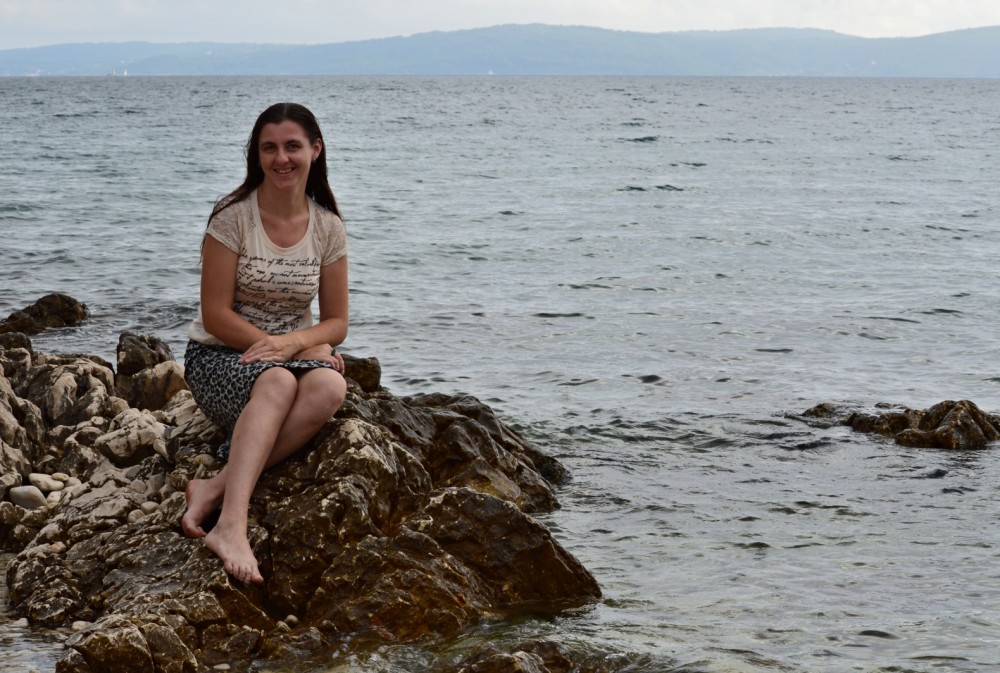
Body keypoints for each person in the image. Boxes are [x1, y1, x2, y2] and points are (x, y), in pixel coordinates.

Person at [180, 102, 349, 585]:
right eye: (269, 148)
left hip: (284, 355)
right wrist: (286, 349)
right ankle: (231, 526)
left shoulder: (328, 227)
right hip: (217, 355)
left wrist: (297, 343)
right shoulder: (232, 218)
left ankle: (213, 486)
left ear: (315, 150)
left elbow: (337, 322)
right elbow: (215, 313)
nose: (281, 158)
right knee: (277, 381)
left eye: (293, 146)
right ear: (257, 155)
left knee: (331, 388)